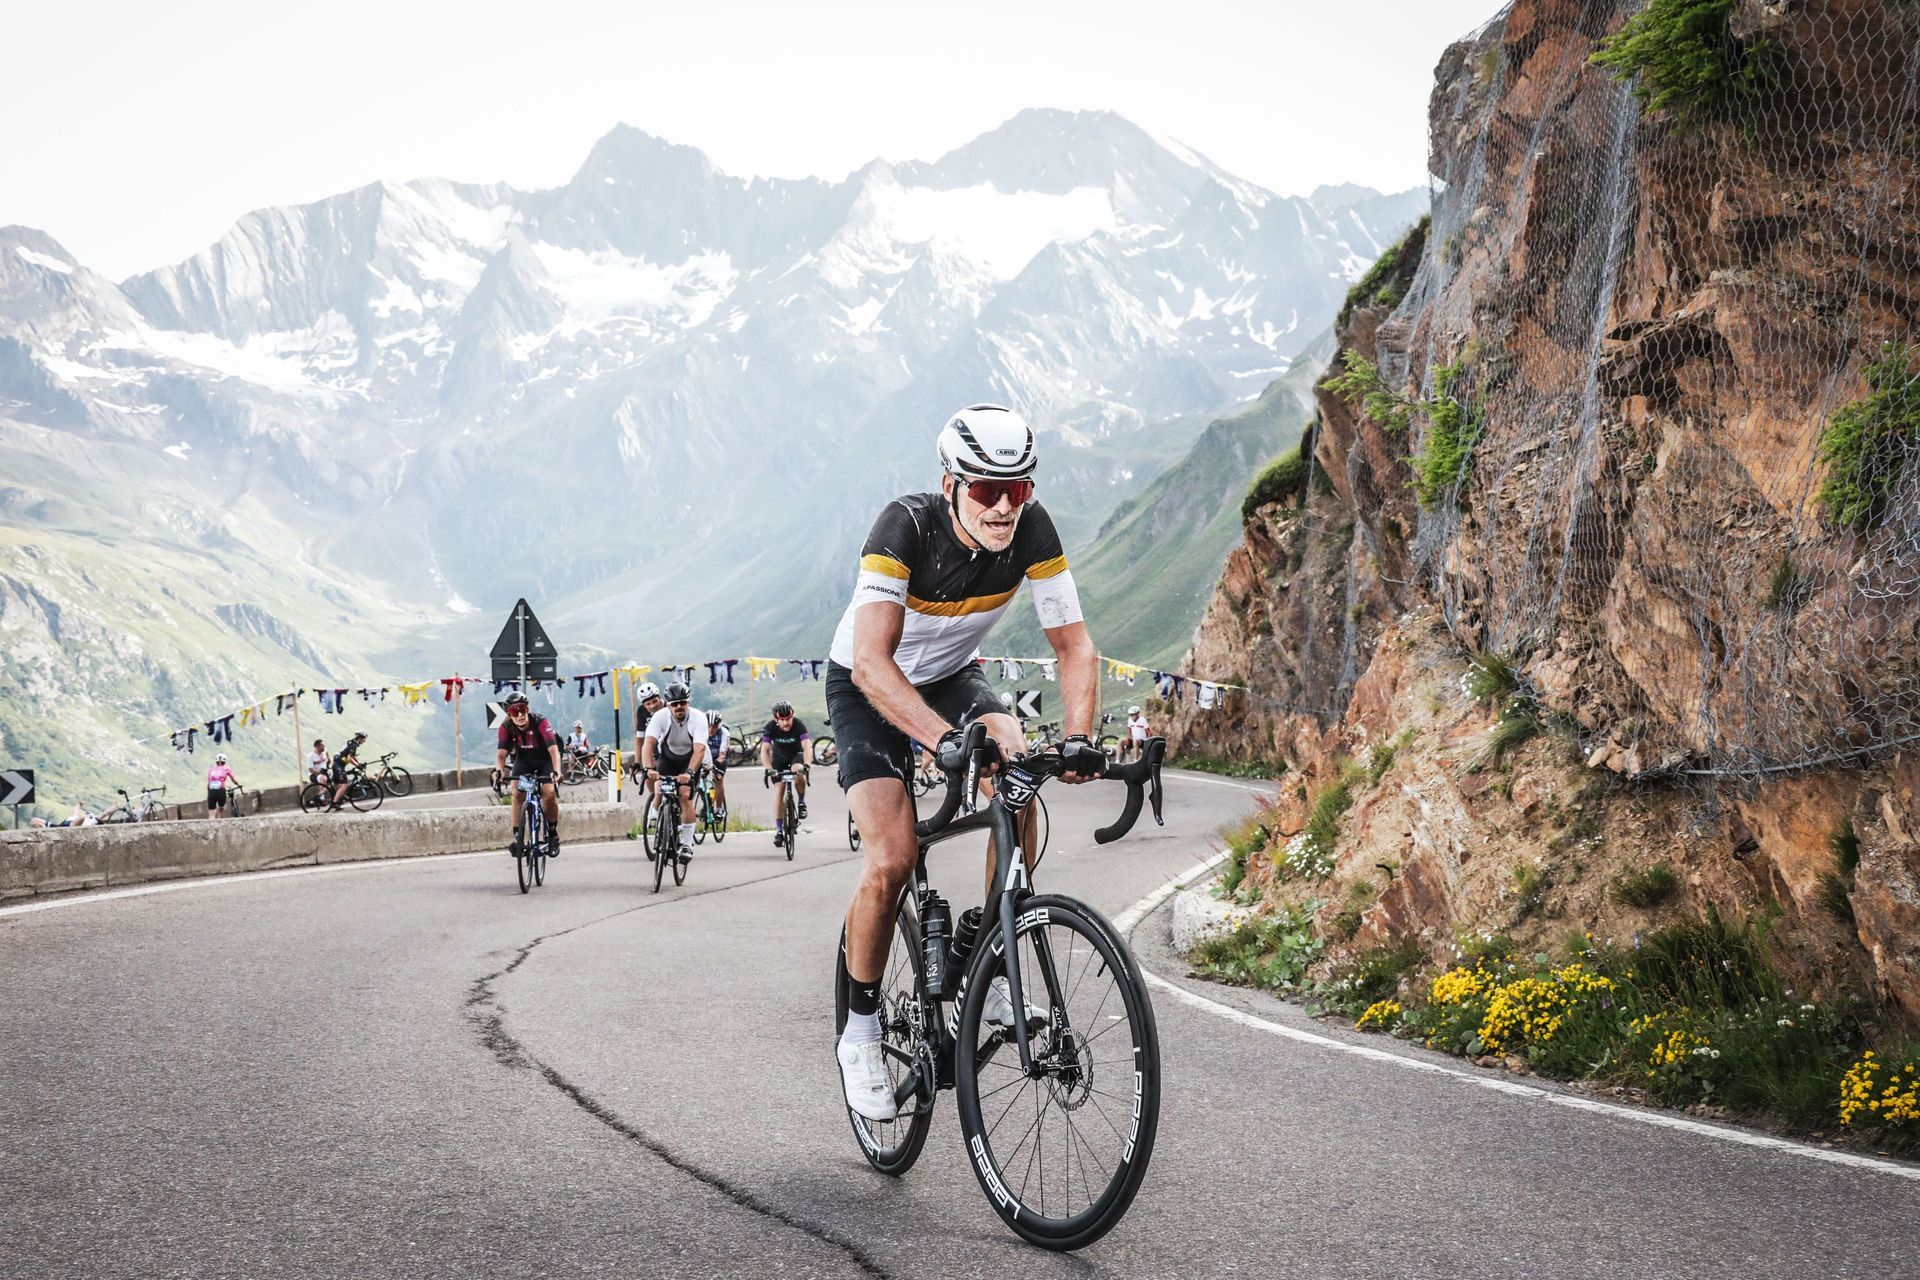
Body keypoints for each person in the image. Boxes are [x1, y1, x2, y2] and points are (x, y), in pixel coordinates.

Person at [826, 402, 1103, 1121]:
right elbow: (872, 662)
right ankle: (860, 1033)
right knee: (892, 858)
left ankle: (993, 962)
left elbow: (1074, 645)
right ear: (950, 484)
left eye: (1019, 489)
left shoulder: (1032, 529)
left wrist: (1079, 736)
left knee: (1017, 777)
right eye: (986, 489)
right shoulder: (904, 527)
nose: (1004, 507)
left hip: (951, 675)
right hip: (869, 683)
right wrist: (938, 739)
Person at [641, 682, 709, 865]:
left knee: (685, 795)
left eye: (682, 702)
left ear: (688, 702)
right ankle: (658, 817)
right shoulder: (660, 717)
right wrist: (648, 768)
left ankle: (686, 845)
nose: (679, 706)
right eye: (674, 704)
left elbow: (700, 750)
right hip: (668, 759)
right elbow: (648, 744)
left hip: (690, 761)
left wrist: (689, 772)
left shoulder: (698, 718)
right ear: (668, 705)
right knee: (660, 789)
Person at [494, 693, 562, 856]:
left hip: (545, 760)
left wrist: (557, 771)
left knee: (549, 794)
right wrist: (499, 771)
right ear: (509, 715)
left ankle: (552, 833)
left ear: (527, 709)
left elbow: (554, 751)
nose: (520, 715)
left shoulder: (540, 722)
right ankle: (518, 838)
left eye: (522, 710)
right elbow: (501, 756)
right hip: (524, 761)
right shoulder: (506, 728)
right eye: (514, 711)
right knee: (517, 794)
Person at [760, 700, 811, 849]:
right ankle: (779, 831)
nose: (786, 722)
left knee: (798, 771)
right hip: (779, 760)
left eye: (788, 718)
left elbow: (807, 746)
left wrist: (807, 765)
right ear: (776, 719)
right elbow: (764, 750)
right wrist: (768, 768)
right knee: (779, 790)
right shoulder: (770, 727)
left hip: (796, 756)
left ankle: (801, 802)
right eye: (782, 720)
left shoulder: (799, 725)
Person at [630, 681, 666, 817]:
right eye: (648, 704)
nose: (652, 706)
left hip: (671, 749)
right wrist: (637, 762)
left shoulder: (669, 707)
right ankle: (655, 801)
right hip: (653, 749)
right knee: (648, 774)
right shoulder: (641, 711)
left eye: (654, 701)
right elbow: (640, 739)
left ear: (659, 698)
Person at [327, 731, 368, 811]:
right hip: (339, 765)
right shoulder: (353, 745)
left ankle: (337, 801)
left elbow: (352, 756)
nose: (364, 741)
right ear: (359, 738)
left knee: (337, 785)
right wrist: (357, 765)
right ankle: (334, 803)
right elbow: (349, 758)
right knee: (344, 785)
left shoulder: (352, 743)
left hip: (337, 764)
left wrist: (359, 763)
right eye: (364, 739)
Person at [705, 710, 731, 821]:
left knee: (718, 779)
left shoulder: (724, 733)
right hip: (705, 756)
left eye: (714, 727)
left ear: (718, 726)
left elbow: (722, 755)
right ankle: (705, 801)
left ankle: (719, 809)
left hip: (719, 758)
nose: (711, 730)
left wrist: (713, 765)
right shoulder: (700, 730)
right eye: (708, 726)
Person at [205, 754, 242, 820]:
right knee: (221, 808)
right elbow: (233, 778)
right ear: (224, 761)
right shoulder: (226, 768)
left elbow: (209, 781)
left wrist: (209, 792)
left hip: (211, 790)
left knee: (211, 811)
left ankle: (211, 822)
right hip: (221, 790)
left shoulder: (211, 769)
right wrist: (238, 784)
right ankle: (220, 821)